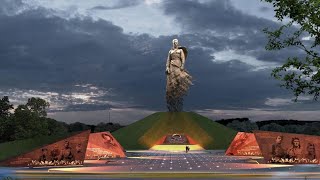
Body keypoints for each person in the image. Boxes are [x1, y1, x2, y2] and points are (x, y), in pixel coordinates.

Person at [165, 39, 192, 112]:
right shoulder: (170, 51)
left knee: (179, 80)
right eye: (174, 43)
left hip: (178, 65)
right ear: (172, 43)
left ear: (178, 43)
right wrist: (167, 67)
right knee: (171, 83)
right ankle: (172, 103)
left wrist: (182, 65)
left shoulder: (180, 51)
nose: (175, 44)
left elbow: (183, 58)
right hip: (171, 66)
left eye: (176, 42)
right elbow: (168, 60)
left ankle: (179, 96)